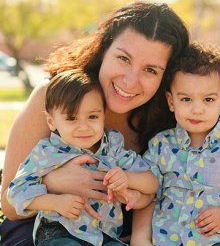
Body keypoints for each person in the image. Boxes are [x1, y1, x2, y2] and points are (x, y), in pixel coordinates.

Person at [0, 1, 189, 246]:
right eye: (123, 58)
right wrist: (54, 182)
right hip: (41, 232)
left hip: (109, 235)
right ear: (103, 50)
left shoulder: (170, 118)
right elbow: (9, 204)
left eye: (150, 70)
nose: (130, 81)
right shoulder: (55, 97)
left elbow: (156, 192)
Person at [7, 69, 159, 246]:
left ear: (104, 115)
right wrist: (55, 202)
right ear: (51, 121)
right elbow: (15, 192)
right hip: (59, 232)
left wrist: (128, 178)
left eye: (92, 116)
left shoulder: (113, 148)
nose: (84, 127)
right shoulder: (47, 153)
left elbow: (152, 183)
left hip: (105, 235)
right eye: (72, 118)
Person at [143, 43, 220, 246]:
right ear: (170, 101)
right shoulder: (161, 145)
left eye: (208, 100)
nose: (197, 109)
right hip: (166, 241)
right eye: (186, 99)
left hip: (217, 241)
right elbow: (147, 193)